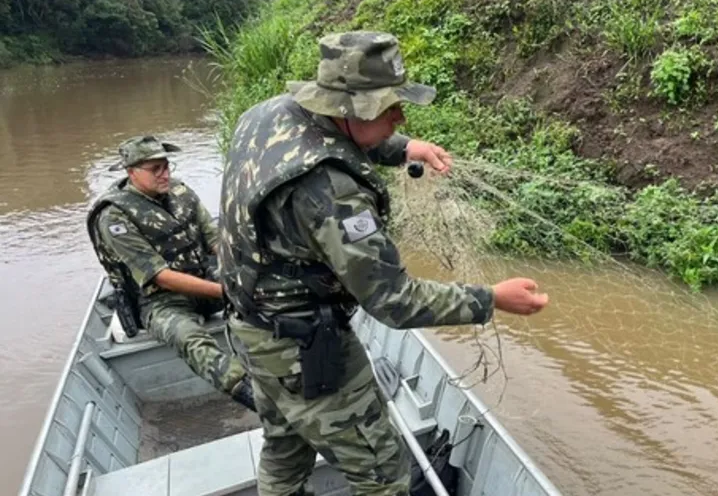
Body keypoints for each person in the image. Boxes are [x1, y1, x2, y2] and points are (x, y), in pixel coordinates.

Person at [218, 31, 550, 496]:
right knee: (383, 473)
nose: (401, 116)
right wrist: (492, 299)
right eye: (391, 108)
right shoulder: (331, 193)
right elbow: (394, 301)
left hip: (251, 328)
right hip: (304, 349)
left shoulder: (266, 115)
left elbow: (334, 140)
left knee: (285, 446)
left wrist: (404, 147)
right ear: (352, 108)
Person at [86, 135, 256, 413]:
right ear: (132, 173)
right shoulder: (114, 217)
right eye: (156, 170)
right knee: (190, 338)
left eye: (167, 166)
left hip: (203, 279)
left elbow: (215, 241)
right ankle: (254, 397)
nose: (165, 174)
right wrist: (225, 292)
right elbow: (159, 276)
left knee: (266, 291)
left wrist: (239, 276)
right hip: (160, 301)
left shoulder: (181, 193)